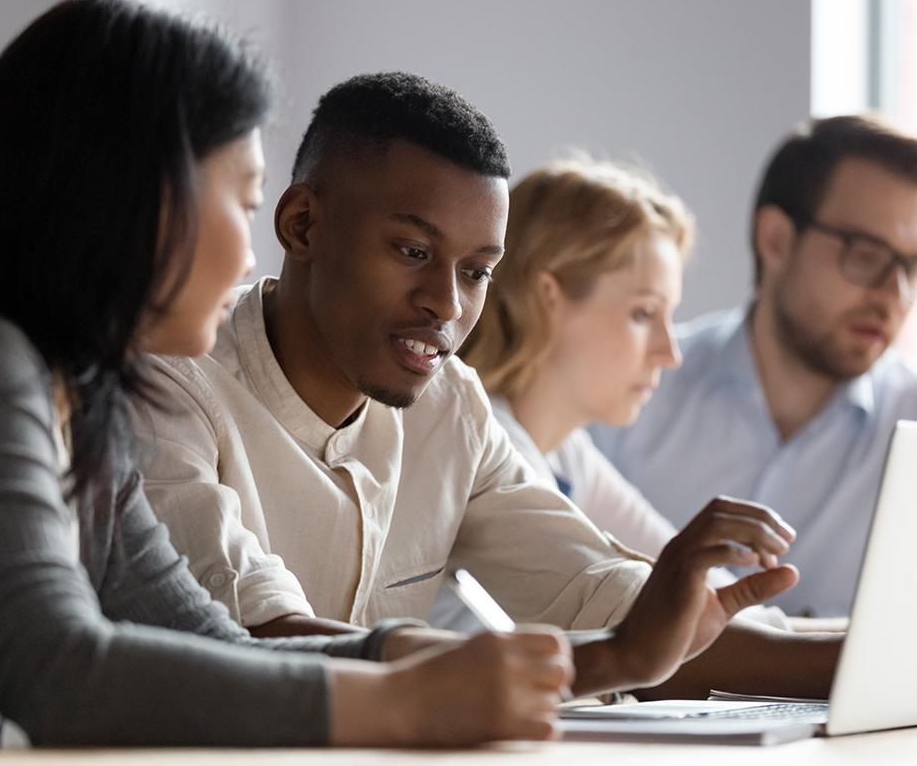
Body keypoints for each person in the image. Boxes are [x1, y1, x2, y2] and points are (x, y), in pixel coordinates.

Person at [0, 0, 580, 751]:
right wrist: (399, 702)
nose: (256, 255)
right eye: (245, 199)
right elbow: (53, 670)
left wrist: (385, 655)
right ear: (136, 195)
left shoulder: (75, 395)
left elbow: (209, 639)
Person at [137, 70, 835, 702]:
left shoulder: (450, 405)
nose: (445, 303)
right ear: (302, 225)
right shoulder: (169, 386)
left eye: (475, 272)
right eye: (413, 252)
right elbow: (259, 638)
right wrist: (614, 657)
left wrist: (852, 662)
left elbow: (597, 595)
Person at [591, 114, 917, 618]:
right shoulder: (632, 385)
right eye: (866, 255)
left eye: (912, 268)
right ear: (776, 241)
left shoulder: (912, 425)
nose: (894, 296)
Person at [448, 157, 789, 630]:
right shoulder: (484, 441)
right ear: (548, 297)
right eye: (644, 314)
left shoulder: (567, 453)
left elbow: (718, 599)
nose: (670, 353)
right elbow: (650, 619)